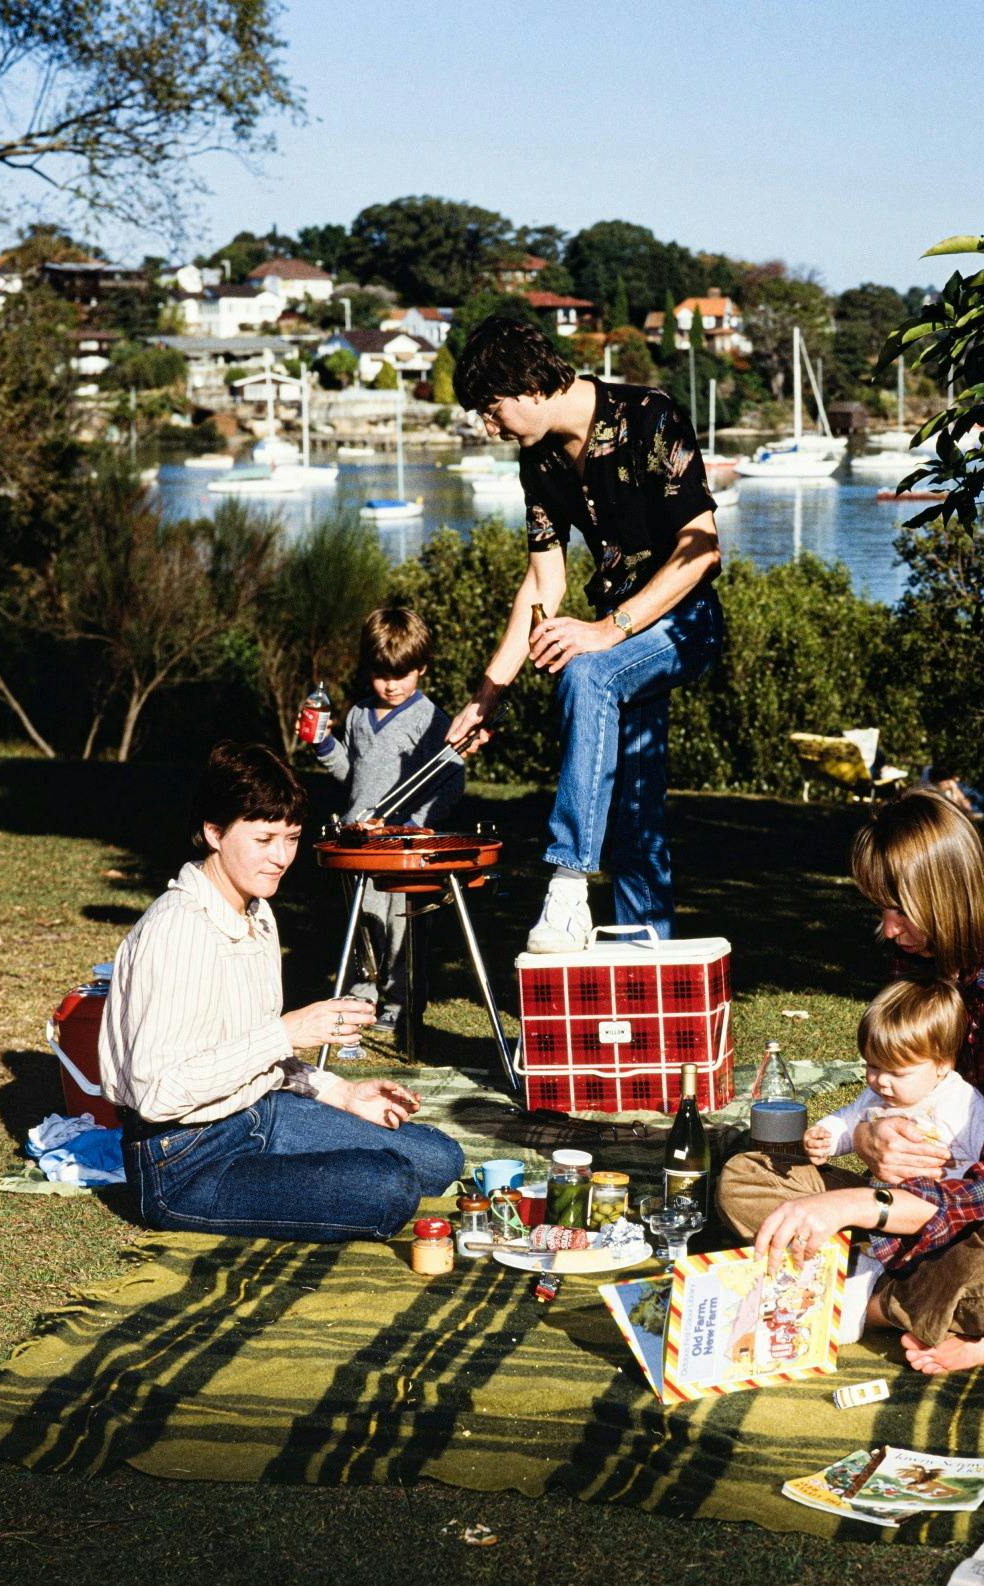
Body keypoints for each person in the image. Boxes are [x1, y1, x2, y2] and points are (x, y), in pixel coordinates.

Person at [717, 790, 984, 1374]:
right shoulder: (926, 953)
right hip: (927, 1205)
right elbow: (901, 1086)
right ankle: (964, 1312)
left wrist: (859, 1204)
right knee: (745, 1177)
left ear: (946, 892)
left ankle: (871, 1305)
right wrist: (870, 1138)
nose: (887, 930)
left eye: (897, 910)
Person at [100, 739, 464, 1240]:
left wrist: (342, 1093)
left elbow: (250, 1056)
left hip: (255, 1111)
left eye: (290, 838)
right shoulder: (180, 930)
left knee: (440, 1158)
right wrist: (286, 1032)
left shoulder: (256, 911)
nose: (281, 858)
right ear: (213, 832)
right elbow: (157, 1095)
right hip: (182, 1161)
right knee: (389, 1187)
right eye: (264, 838)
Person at [446, 317, 725, 949]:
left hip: (683, 625)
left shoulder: (650, 415)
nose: (489, 428)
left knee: (586, 670)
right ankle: (645, 971)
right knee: (636, 815)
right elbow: (544, 582)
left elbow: (703, 548)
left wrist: (608, 628)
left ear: (531, 387)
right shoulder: (538, 461)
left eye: (492, 411)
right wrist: (489, 693)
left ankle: (567, 886)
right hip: (617, 637)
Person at [801, 978, 984, 1331]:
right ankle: (847, 1301)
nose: (881, 1082)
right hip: (879, 1215)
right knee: (859, 1266)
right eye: (873, 1067)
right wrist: (827, 1136)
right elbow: (850, 1117)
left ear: (942, 1064)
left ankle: (876, 1308)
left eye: (897, 1072)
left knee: (953, 1266)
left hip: (936, 1223)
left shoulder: (962, 1105)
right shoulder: (878, 1097)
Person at [310, 606, 464, 1027]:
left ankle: (401, 1005)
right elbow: (352, 776)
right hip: (359, 840)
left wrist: (415, 824)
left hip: (403, 846)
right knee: (363, 923)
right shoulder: (359, 715)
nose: (391, 685)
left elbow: (451, 779)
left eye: (401, 674)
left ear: (422, 667)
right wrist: (324, 747)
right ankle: (362, 1000)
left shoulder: (429, 718)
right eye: (381, 675)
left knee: (401, 929)